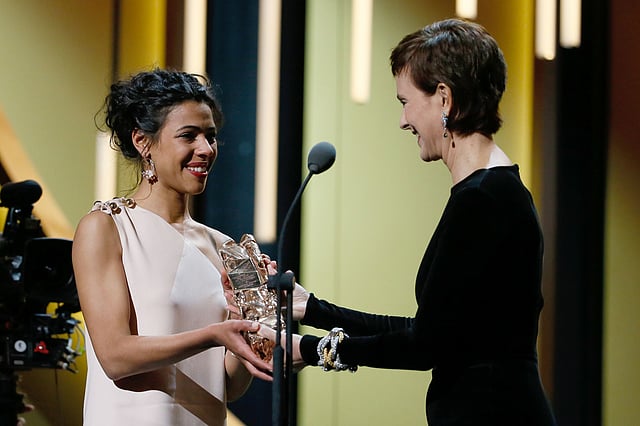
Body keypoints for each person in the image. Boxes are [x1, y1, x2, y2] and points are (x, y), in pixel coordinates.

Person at [270, 18, 557, 425]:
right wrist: (312, 309)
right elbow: (434, 330)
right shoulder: (493, 193)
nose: (403, 121)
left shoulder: (484, 200)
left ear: (443, 98)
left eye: (405, 102)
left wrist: (312, 350)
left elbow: (424, 347)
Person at [72, 69, 272, 425]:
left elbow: (227, 386)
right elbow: (115, 356)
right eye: (188, 136)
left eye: (210, 136)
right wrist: (214, 334)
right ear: (142, 142)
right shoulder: (107, 228)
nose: (206, 149)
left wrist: (246, 325)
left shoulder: (224, 247)